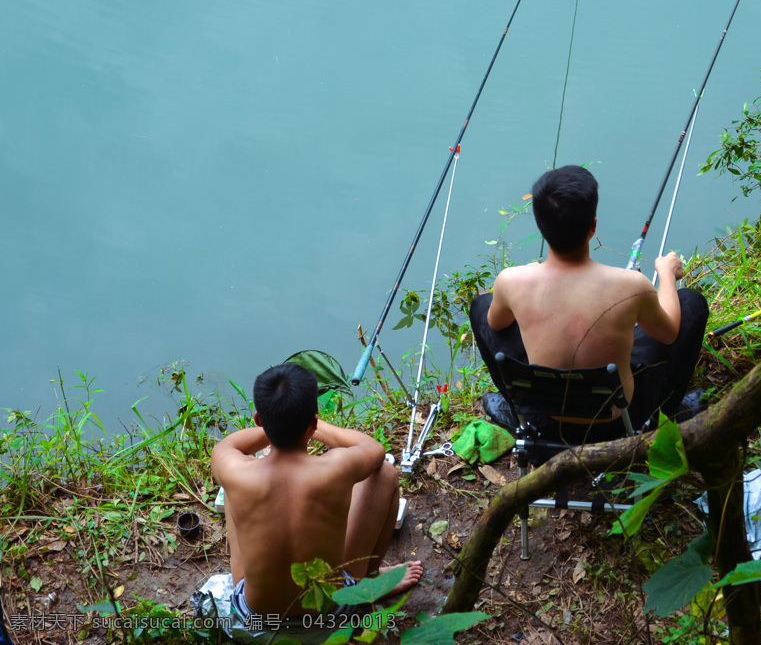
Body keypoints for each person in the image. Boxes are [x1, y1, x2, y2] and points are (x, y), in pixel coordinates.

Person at [471, 165, 708, 436]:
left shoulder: (510, 281)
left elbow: (496, 323)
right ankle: (665, 412)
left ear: (541, 226)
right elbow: (668, 334)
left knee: (481, 306)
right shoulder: (631, 285)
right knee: (691, 302)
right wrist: (666, 274)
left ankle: (518, 409)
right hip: (619, 421)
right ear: (593, 226)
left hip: (545, 415)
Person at [210, 364, 422, 642]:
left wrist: (277, 424)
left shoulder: (237, 470)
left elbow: (227, 446)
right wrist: (309, 424)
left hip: (256, 623)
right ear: (313, 421)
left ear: (259, 419)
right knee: (384, 473)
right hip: (329, 620)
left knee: (233, 486)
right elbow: (375, 450)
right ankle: (368, 582)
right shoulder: (334, 468)